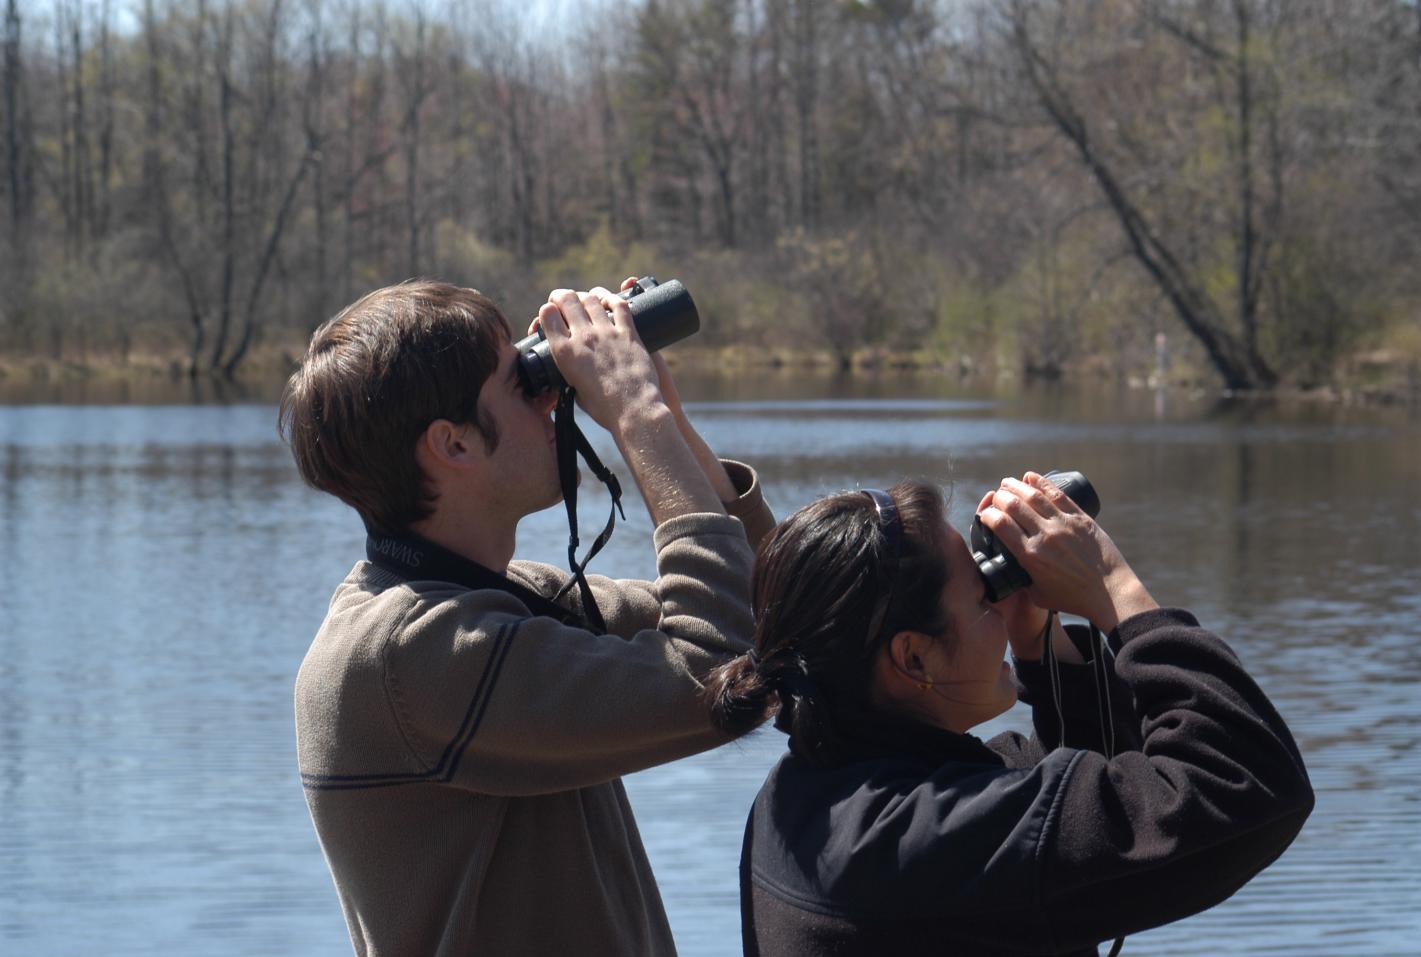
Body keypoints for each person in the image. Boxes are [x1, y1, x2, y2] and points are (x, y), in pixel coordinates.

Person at [279, 278, 774, 957]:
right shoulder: (405, 655)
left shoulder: (491, 601)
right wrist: (636, 415)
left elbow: (772, 616)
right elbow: (719, 673)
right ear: (453, 444)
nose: (554, 395)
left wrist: (668, 415)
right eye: (524, 382)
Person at [705, 473, 1314, 956]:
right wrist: (1113, 590)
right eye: (982, 596)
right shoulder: (924, 844)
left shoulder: (808, 796)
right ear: (913, 657)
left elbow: (1092, 798)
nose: (999, 601)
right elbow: (1248, 786)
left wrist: (1037, 639)